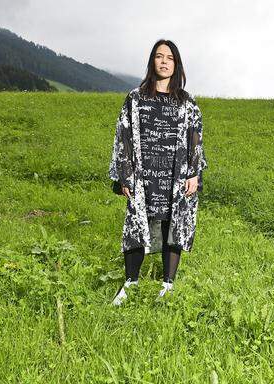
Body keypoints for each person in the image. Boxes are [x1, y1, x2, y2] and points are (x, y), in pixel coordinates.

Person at [108, 39, 207, 306]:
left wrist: (194, 173)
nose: (164, 62)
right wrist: (125, 174)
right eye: (159, 56)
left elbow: (195, 140)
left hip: (175, 178)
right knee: (136, 225)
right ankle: (130, 283)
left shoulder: (187, 102)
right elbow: (123, 137)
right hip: (143, 177)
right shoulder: (136, 98)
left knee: (172, 225)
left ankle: (167, 285)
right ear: (152, 61)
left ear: (176, 64)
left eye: (170, 58)